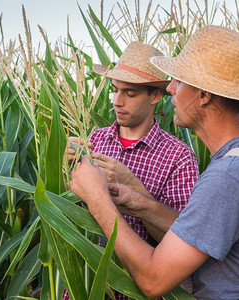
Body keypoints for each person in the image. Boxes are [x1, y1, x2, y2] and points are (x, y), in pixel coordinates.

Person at [70, 25, 239, 299]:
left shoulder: (229, 178)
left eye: (180, 80)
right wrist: (143, 206)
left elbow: (153, 281)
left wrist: (98, 199)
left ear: (204, 95)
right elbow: (204, 228)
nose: (171, 88)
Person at [63, 42, 199, 300]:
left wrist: (134, 186)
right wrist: (61, 165)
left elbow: (180, 242)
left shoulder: (178, 157)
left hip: (137, 292)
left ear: (156, 96)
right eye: (114, 91)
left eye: (130, 93)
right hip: (84, 287)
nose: (117, 102)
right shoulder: (94, 139)